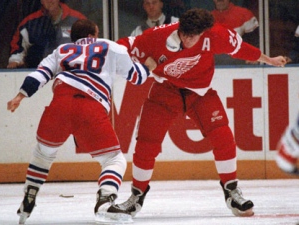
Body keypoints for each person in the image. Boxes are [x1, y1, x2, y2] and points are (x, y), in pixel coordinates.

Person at [116, 8, 286, 218]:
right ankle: (136, 196)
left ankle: (232, 192)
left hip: (200, 93)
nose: (187, 40)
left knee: (223, 137)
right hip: (165, 91)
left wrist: (269, 60)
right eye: (184, 34)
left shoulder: (217, 34)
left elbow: (240, 49)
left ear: (204, 32)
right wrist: (141, 62)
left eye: (193, 36)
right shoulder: (158, 35)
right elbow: (121, 47)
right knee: (146, 143)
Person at [7, 19, 155, 224]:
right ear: (94, 34)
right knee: (114, 160)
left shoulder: (61, 50)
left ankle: (30, 194)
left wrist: (20, 96)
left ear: (73, 37)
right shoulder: (111, 47)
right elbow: (137, 77)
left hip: (59, 105)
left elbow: (40, 75)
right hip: (90, 108)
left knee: (42, 154)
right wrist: (149, 67)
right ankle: (105, 198)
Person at [7, 0, 86, 69]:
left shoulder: (78, 20)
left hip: (70, 73)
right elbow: (18, 48)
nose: (50, 0)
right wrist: (15, 61)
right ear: (41, 1)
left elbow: (89, 45)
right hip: (41, 73)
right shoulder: (30, 23)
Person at [211, 0, 259, 65]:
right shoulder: (208, 18)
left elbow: (255, 40)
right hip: (215, 64)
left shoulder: (245, 14)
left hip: (241, 63)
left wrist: (253, 56)